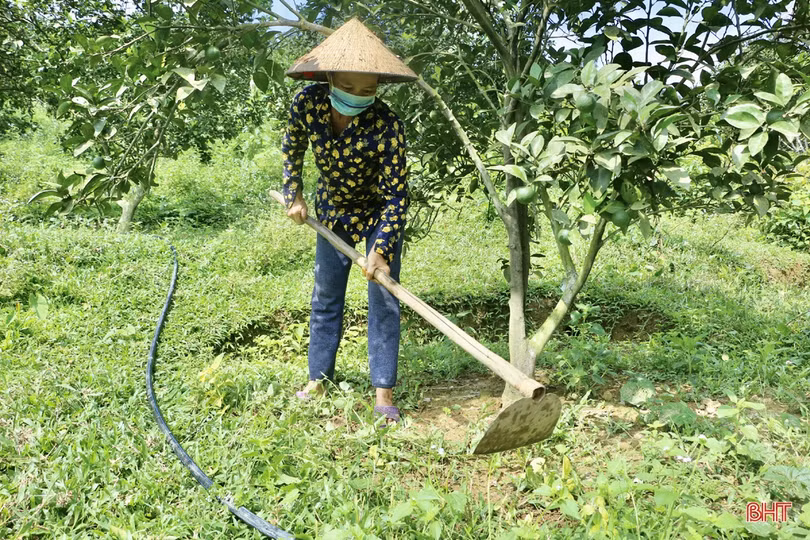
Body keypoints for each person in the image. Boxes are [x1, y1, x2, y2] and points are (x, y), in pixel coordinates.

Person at [281, 18, 418, 423]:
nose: (357, 96)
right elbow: (292, 147)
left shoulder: (388, 125)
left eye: (367, 90)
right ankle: (318, 379)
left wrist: (381, 249)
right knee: (326, 297)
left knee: (384, 298)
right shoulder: (307, 104)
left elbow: (397, 195)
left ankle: (383, 393)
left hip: (379, 216)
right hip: (332, 211)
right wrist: (294, 194)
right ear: (329, 80)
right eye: (348, 87)